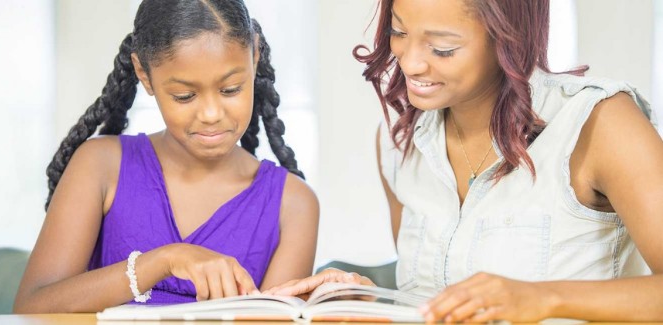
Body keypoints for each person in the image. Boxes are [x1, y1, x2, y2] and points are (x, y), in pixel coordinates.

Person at [265, 0, 663, 322]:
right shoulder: (399, 141)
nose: (410, 63)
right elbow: (434, 301)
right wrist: (367, 301)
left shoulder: (601, 123)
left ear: (508, 39)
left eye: (442, 49)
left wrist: (544, 299)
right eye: (398, 32)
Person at [13, 0, 319, 313]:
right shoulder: (100, 165)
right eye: (185, 96)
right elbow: (31, 308)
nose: (212, 114)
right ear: (144, 74)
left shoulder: (292, 204)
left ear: (254, 56)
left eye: (231, 89)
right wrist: (163, 261)